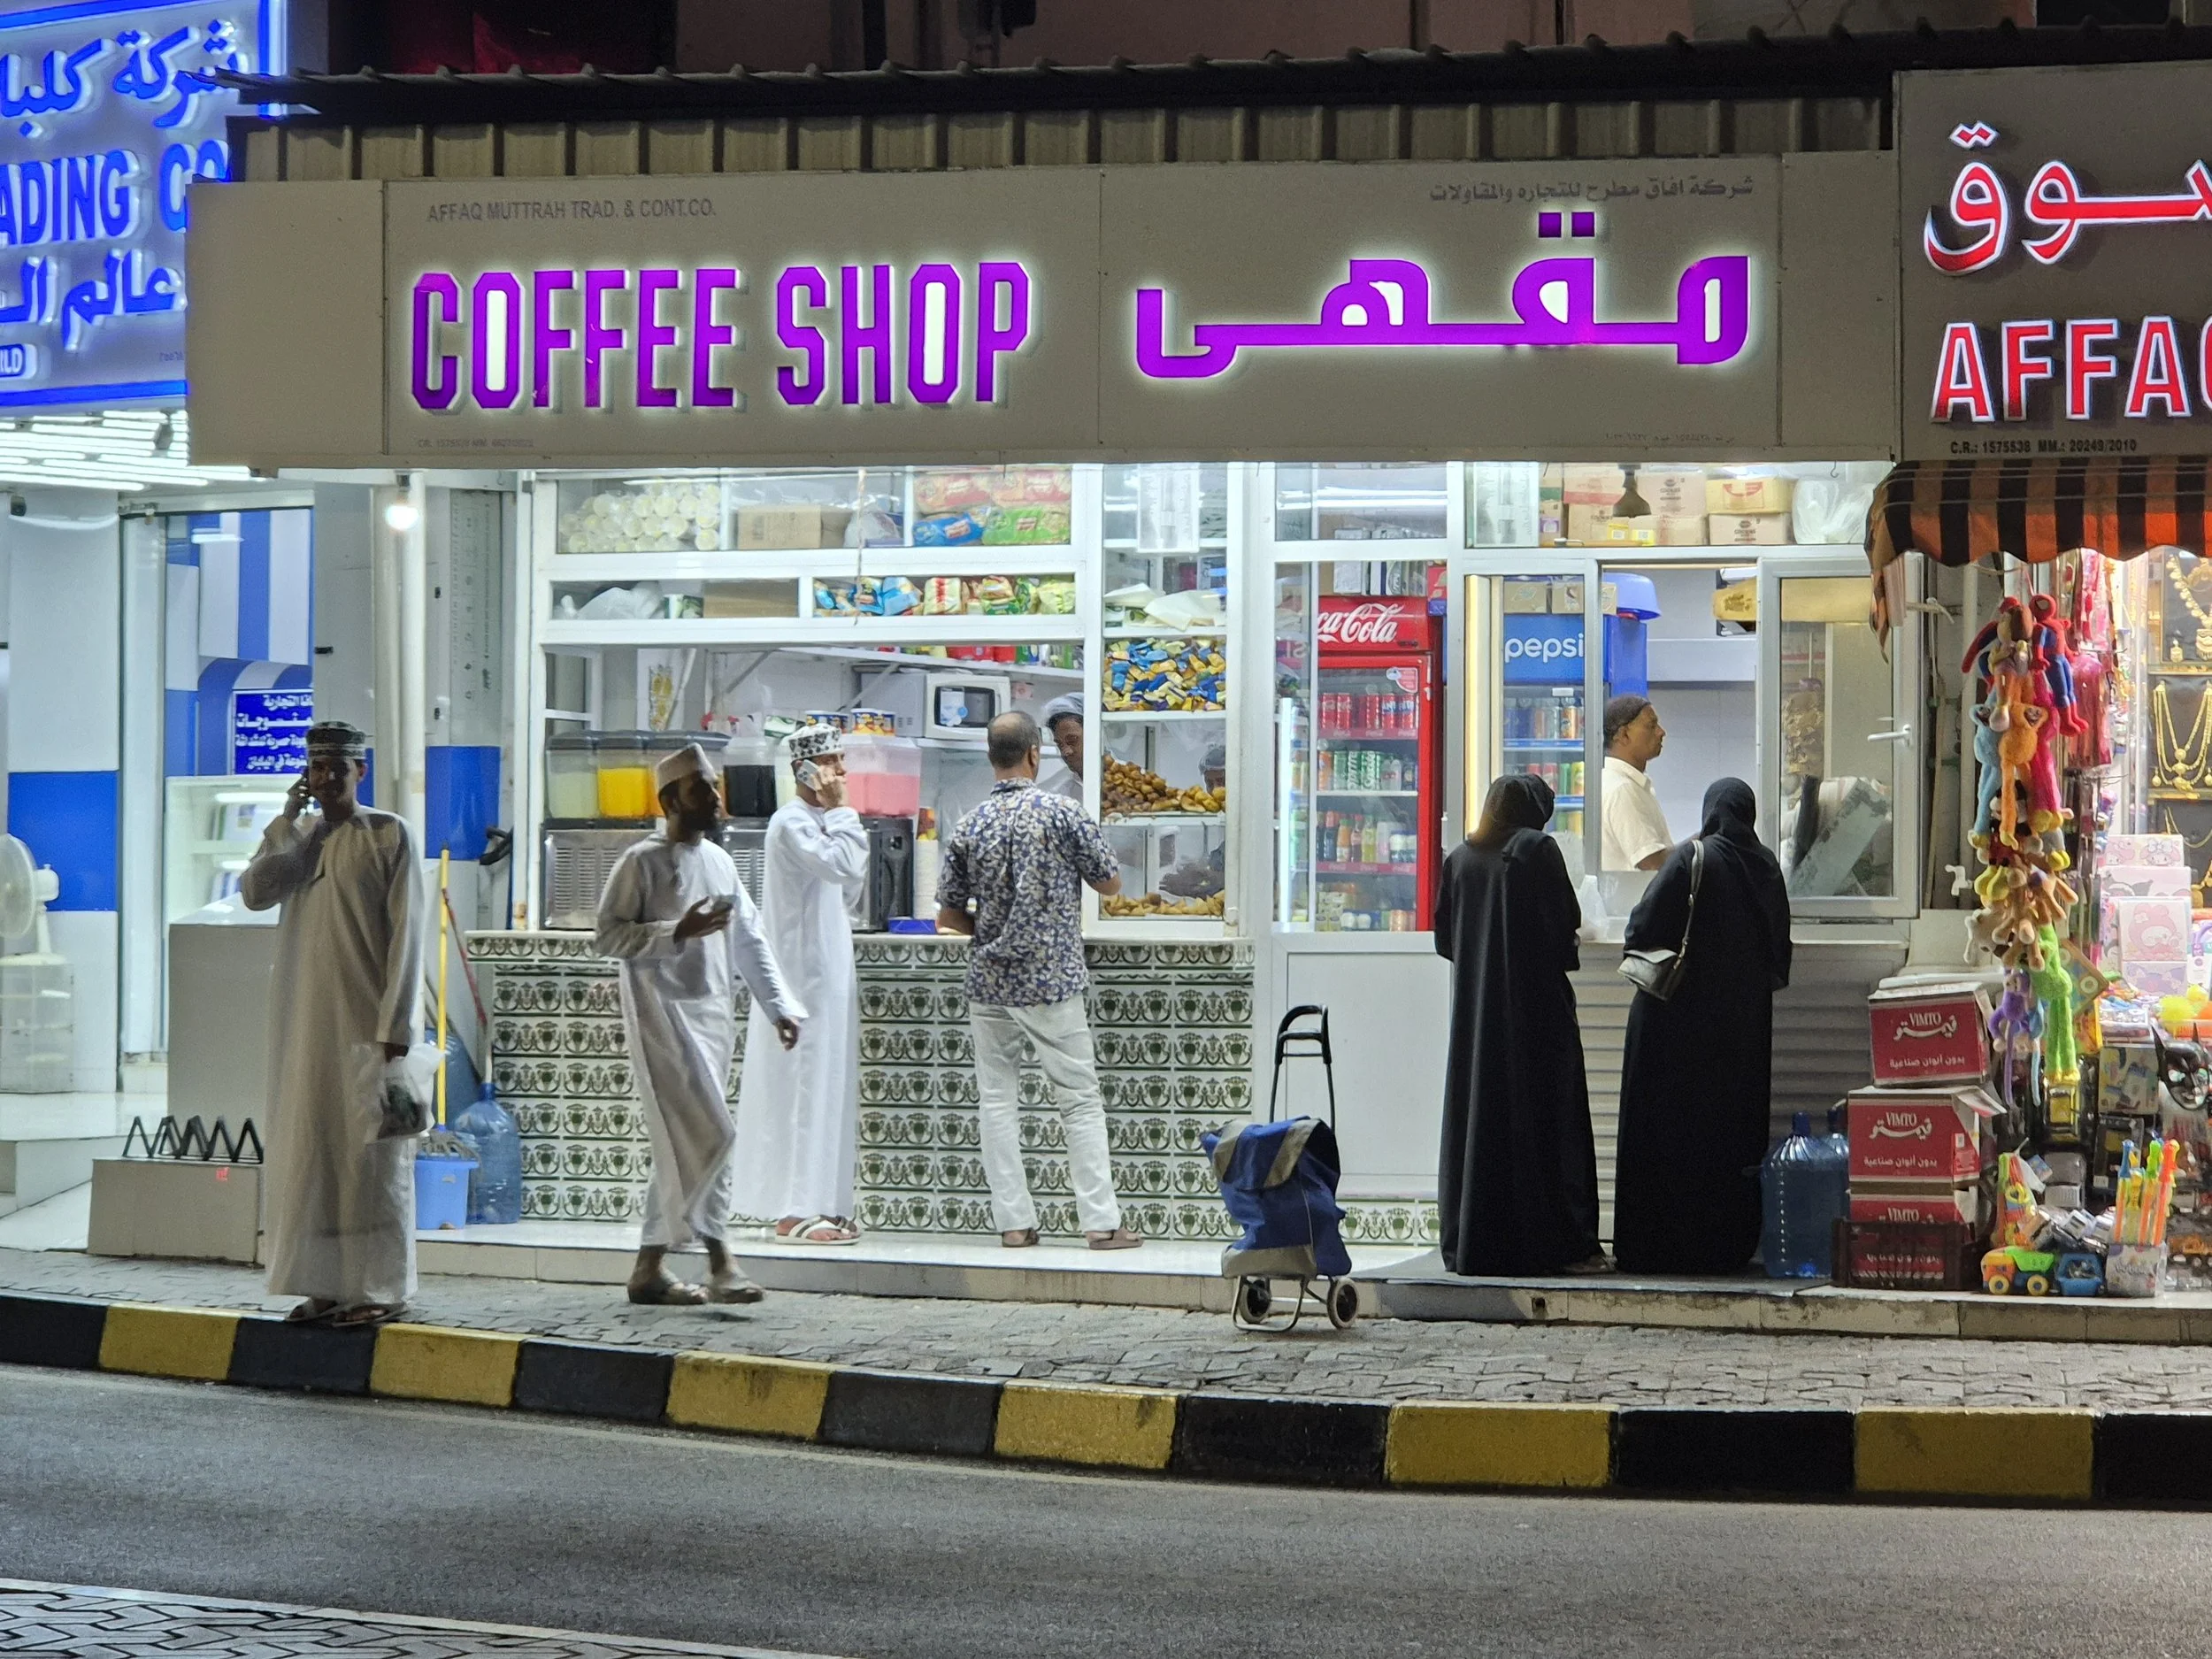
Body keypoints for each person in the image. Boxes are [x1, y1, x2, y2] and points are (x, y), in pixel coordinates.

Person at [596, 741, 806, 1305]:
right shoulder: (640, 862)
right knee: (714, 1133)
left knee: (686, 1141)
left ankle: (650, 1268)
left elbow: (749, 939)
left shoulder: (719, 861)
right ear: (670, 799)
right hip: (660, 1017)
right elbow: (608, 936)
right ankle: (722, 1261)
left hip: (713, 1015)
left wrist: (778, 1005)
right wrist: (676, 933)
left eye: (713, 786)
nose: (716, 798)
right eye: (701, 789)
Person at [240, 720, 425, 1327]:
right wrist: (288, 818)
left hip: (368, 1027)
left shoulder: (388, 834)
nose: (325, 781)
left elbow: (409, 933)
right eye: (315, 770)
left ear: (359, 770)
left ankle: (379, 1287)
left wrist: (396, 1021)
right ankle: (322, 1283)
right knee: (314, 1151)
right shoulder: (302, 841)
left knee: (371, 1162)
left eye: (336, 769)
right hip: (308, 1027)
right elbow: (254, 891)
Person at [936, 710, 1141, 1250]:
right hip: (1051, 980)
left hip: (989, 984)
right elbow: (1112, 884)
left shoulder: (968, 824)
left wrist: (997, 928)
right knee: (1078, 1099)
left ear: (991, 757)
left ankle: (1014, 1225)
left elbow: (950, 918)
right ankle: (1100, 1223)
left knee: (997, 1100)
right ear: (1035, 754)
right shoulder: (1061, 813)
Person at [1611, 779, 1793, 1276]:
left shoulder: (1694, 856)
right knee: (1727, 1135)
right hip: (1741, 1034)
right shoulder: (1768, 867)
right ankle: (1724, 1246)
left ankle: (1656, 1247)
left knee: (1666, 1132)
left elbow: (1641, 929)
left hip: (1673, 1025)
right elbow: (1780, 959)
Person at [1432, 774, 1606, 1277]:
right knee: (1549, 1123)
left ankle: (1476, 1243)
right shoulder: (1536, 849)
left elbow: (1445, 942)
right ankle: (1559, 1243)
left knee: (1478, 1120)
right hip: (1537, 1017)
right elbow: (1565, 923)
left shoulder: (1460, 859)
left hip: (1474, 1018)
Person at [732, 724, 870, 1246]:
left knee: (829, 1084)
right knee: (804, 1087)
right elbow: (842, 863)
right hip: (801, 976)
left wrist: (839, 815)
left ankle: (826, 1203)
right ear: (804, 771)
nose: (841, 773)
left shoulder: (824, 820)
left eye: (841, 761)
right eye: (832, 762)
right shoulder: (791, 822)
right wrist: (842, 811)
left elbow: (851, 882)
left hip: (828, 970)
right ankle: (795, 1209)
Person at [1601, 694, 1672, 872]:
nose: (1661, 732)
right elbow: (1652, 863)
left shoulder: (1627, 784)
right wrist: (1700, 843)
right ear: (1623, 735)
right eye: (1651, 726)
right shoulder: (1622, 789)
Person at [1158, 742, 1228, 902]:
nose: (1215, 790)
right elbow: (1217, 877)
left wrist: (1204, 875)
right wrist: (1194, 876)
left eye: (1222, 781)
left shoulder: (1256, 822)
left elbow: (1247, 884)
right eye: (1209, 784)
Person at [1041, 692, 1086, 802]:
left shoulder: (1128, 779)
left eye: (1072, 741)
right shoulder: (1061, 796)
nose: (1066, 752)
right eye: (1059, 745)